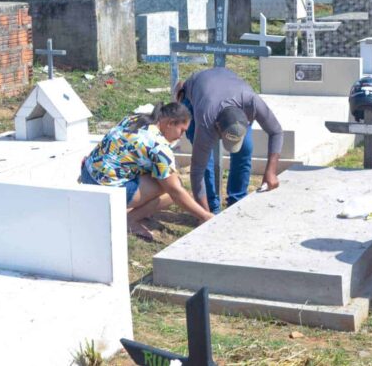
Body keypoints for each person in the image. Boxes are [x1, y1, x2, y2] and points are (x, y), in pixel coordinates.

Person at [81, 102, 214, 240]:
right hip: (105, 192)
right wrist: (205, 216)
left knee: (161, 175)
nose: (181, 136)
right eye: (182, 130)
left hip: (87, 174)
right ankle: (129, 220)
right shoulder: (158, 147)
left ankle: (135, 209)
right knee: (171, 190)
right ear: (170, 123)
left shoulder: (135, 119)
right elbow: (175, 192)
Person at [175, 67, 283, 214]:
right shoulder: (207, 120)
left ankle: (237, 202)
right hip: (196, 93)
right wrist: (205, 216)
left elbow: (276, 132)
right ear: (218, 127)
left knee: (245, 149)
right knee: (205, 159)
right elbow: (197, 170)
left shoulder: (252, 102)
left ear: (246, 120)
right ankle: (211, 208)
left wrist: (271, 171)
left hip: (230, 92)